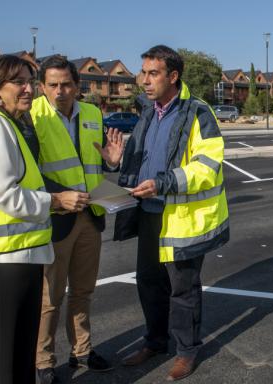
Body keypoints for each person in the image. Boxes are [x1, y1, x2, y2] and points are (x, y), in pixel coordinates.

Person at [0, 54, 87, 384]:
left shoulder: (9, 124)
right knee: (8, 353)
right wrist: (55, 201)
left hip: (17, 252)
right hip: (3, 255)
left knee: (19, 350)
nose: (29, 89)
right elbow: (3, 193)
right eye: (19, 82)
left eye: (30, 81)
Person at [115, 45, 229, 381]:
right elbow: (143, 160)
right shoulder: (149, 112)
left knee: (183, 291)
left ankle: (186, 352)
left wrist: (164, 183)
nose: (144, 81)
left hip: (183, 218)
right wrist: (115, 161)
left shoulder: (198, 112)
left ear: (173, 76)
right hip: (149, 212)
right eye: (143, 73)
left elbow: (208, 166)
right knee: (149, 283)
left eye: (153, 74)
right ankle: (155, 341)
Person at [27, 55, 124, 384]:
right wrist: (57, 198)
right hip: (55, 218)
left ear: (77, 86)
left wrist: (112, 164)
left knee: (83, 291)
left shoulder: (93, 114)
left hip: (90, 215)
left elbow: (97, 165)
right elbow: (28, 174)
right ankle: (43, 361)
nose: (59, 91)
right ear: (42, 87)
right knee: (48, 298)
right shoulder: (31, 117)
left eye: (66, 84)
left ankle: (81, 351)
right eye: (52, 85)